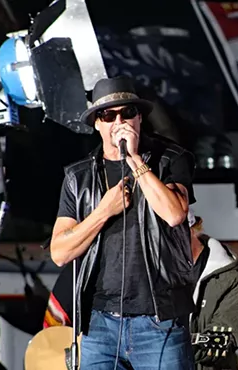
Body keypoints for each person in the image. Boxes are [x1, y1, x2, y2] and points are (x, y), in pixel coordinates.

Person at [48, 76, 197, 369]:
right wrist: (104, 210)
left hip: (158, 321)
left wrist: (135, 160)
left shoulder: (170, 160)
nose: (119, 121)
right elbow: (59, 252)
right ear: (97, 124)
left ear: (139, 117)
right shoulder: (79, 178)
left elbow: (174, 214)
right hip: (99, 324)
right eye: (109, 115)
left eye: (127, 112)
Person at [188, 210, 238, 370]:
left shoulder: (229, 277)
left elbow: (222, 340)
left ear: (192, 230)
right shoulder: (153, 271)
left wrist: (171, 344)